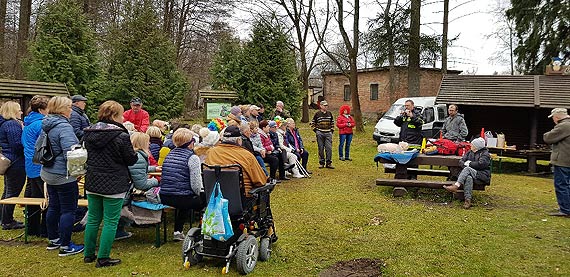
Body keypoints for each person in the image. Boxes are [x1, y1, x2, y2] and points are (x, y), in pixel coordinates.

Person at [83, 100, 138, 267]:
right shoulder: (121, 135)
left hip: (93, 179)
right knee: (110, 221)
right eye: (120, 115)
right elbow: (131, 159)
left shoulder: (88, 132)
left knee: (93, 218)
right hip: (114, 182)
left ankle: (88, 254)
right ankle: (103, 257)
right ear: (115, 116)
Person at [40, 97, 82, 255]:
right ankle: (66, 245)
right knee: (68, 210)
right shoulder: (64, 127)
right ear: (62, 109)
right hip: (62, 174)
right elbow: (72, 154)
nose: (71, 110)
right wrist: (77, 172)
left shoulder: (47, 124)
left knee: (54, 206)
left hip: (49, 172)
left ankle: (54, 239)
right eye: (69, 107)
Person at [159, 128, 204, 242]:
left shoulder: (169, 154)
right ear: (191, 143)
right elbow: (196, 185)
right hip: (182, 198)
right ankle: (203, 231)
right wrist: (201, 194)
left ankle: (178, 231)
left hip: (165, 196)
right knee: (206, 200)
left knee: (185, 199)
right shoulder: (192, 158)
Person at [116, 132, 161, 240]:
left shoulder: (133, 154)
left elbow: (136, 170)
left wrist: (154, 169)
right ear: (143, 143)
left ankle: (120, 229)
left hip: (120, 189)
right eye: (148, 141)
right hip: (126, 193)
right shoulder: (139, 157)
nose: (149, 143)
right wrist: (156, 181)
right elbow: (141, 184)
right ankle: (120, 230)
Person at [205, 126, 267, 197]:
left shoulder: (210, 152)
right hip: (242, 199)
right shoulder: (247, 155)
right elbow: (260, 180)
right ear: (238, 140)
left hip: (215, 197)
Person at [21, 95, 49, 236]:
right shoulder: (41, 124)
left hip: (30, 165)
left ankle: (32, 229)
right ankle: (45, 230)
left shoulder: (28, 123)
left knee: (34, 199)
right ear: (41, 109)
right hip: (40, 166)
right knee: (46, 199)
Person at [443, 138, 490, 209]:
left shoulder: (485, 154)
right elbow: (461, 161)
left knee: (467, 169)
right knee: (468, 178)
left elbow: (481, 165)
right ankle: (467, 200)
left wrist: (469, 164)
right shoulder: (469, 152)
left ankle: (456, 185)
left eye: (473, 144)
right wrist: (466, 164)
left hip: (481, 175)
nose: (471, 145)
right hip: (469, 174)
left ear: (477, 147)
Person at [0, 101, 25, 230]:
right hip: (16, 162)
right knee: (12, 193)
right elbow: (16, 145)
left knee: (8, 191)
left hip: (10, 161)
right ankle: (7, 221)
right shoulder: (12, 125)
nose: (21, 112)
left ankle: (3, 218)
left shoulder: (5, 124)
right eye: (19, 110)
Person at [543, 108, 570, 217]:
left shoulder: (563, 126)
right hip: (567, 160)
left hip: (563, 160)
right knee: (567, 185)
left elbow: (548, 138)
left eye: (553, 117)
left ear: (557, 117)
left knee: (561, 185)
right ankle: (566, 207)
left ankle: (565, 210)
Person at [311, 100, 334, 169]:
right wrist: (316, 131)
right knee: (321, 148)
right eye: (324, 105)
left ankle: (329, 163)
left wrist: (331, 130)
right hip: (320, 133)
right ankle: (321, 162)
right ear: (321, 106)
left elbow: (332, 122)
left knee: (329, 148)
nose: (326, 107)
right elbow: (312, 123)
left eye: (326, 105)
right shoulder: (317, 114)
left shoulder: (329, 113)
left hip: (328, 133)